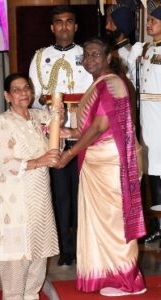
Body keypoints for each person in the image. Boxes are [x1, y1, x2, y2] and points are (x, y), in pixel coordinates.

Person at [57, 37, 146, 296]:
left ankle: (129, 281)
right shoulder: (99, 84)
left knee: (114, 221)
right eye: (86, 55)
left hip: (110, 162)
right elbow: (91, 127)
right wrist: (69, 132)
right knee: (100, 223)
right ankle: (107, 274)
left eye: (96, 54)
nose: (90, 59)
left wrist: (71, 153)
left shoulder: (112, 83)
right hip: (97, 161)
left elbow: (100, 127)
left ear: (109, 58)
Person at [0, 73, 61, 299]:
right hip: (14, 200)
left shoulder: (37, 117)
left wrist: (59, 121)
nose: (23, 92)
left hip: (39, 196)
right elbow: (4, 162)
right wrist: (39, 161)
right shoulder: (1, 122)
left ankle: (31, 296)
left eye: (26, 88)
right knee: (17, 261)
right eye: (16, 90)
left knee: (38, 256)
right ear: (7, 96)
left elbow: (55, 142)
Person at [29, 5, 93, 266]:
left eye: (69, 22)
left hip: (84, 130)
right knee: (60, 193)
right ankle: (65, 248)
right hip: (54, 133)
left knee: (82, 192)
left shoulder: (88, 54)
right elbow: (33, 99)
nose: (64, 27)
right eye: (59, 22)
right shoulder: (40, 57)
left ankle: (82, 245)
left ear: (75, 26)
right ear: (52, 27)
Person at [128, 0, 161, 243]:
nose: (149, 23)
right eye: (148, 19)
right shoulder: (148, 49)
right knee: (152, 174)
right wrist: (133, 60)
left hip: (159, 118)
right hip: (147, 119)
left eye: (153, 20)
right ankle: (158, 223)